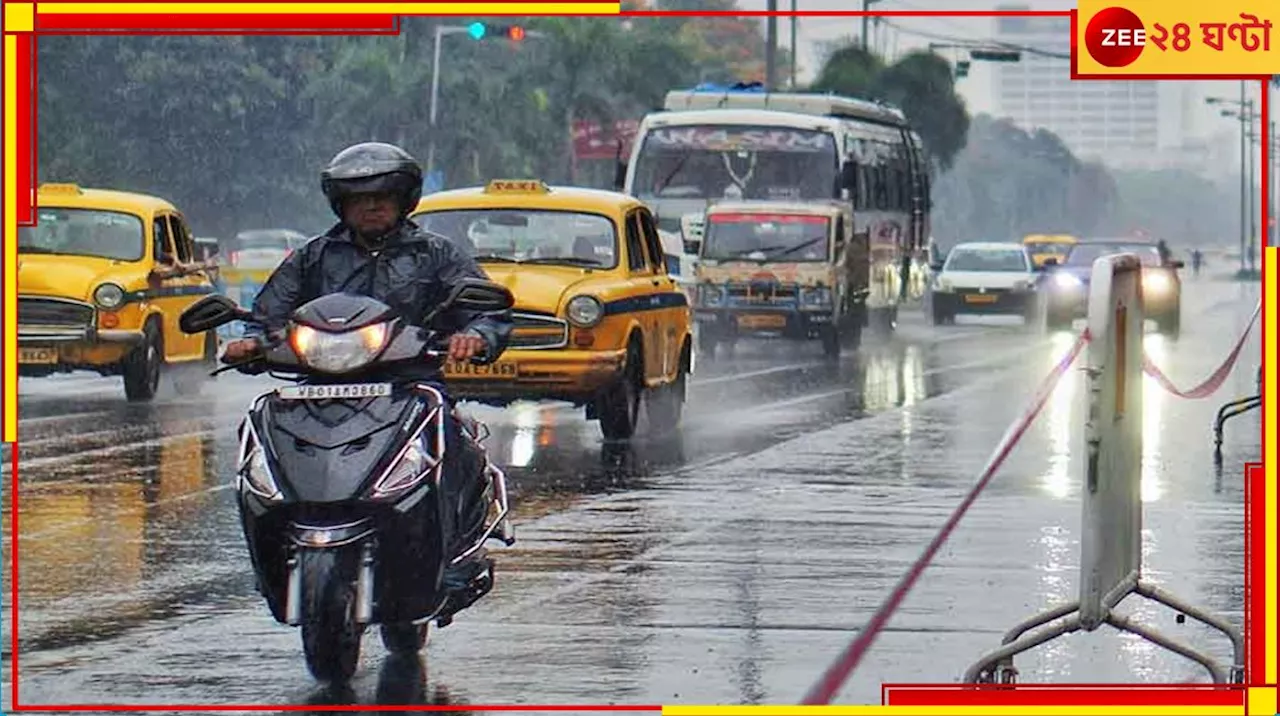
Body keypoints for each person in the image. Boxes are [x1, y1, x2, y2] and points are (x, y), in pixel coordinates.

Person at [222, 141, 513, 598]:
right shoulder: (313, 256)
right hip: (320, 387)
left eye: (382, 197)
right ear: (342, 204)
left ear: (403, 200)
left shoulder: (435, 254)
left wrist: (475, 335)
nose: (372, 206)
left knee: (451, 434)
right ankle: (271, 555)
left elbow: (487, 309)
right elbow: (271, 315)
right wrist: (251, 344)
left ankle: (455, 553)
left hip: (410, 383)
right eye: (360, 198)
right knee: (257, 431)